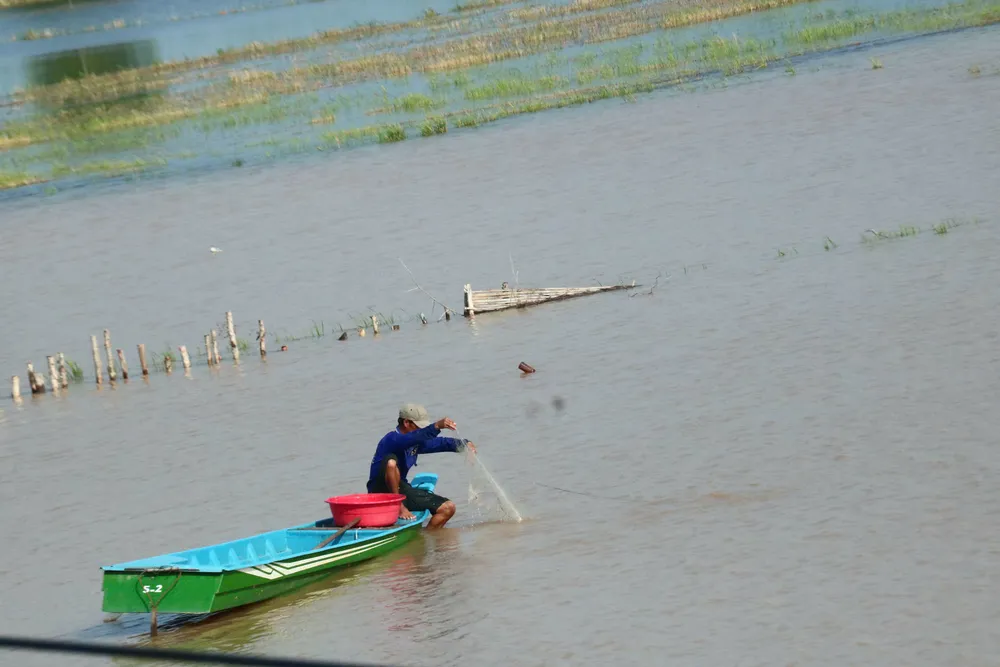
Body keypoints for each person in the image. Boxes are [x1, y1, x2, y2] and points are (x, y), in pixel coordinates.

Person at [367, 403, 477, 529]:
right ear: (406, 423)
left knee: (448, 508)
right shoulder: (391, 439)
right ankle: (399, 506)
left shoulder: (415, 442)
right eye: (418, 426)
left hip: (400, 488)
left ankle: (427, 537)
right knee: (391, 463)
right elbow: (415, 437)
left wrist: (464, 444)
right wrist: (436, 426)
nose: (420, 430)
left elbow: (438, 443)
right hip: (379, 492)